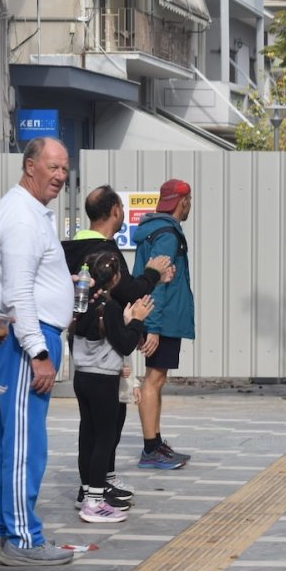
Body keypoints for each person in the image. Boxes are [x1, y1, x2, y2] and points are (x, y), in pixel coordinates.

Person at [62, 185, 175, 497]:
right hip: (106, 355)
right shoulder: (106, 255)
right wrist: (152, 275)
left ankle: (95, 484)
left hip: (82, 354)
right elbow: (129, 292)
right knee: (105, 428)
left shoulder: (70, 251)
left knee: (91, 426)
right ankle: (96, 492)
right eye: (122, 209)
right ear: (114, 211)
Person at [0, 137, 76, 565]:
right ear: (30, 167)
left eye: (65, 168)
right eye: (53, 167)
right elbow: (18, 293)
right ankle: (23, 538)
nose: (61, 176)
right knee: (25, 442)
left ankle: (0, 530)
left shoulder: (22, 210)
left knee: (5, 439)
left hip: (17, 339)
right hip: (27, 341)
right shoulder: (23, 219)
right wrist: (38, 351)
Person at [72, 251, 154, 523]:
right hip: (102, 380)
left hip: (82, 377)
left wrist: (126, 322)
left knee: (88, 435)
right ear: (116, 278)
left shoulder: (83, 303)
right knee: (104, 439)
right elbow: (125, 343)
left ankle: (86, 492)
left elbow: (101, 335)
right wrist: (138, 319)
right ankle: (95, 502)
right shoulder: (110, 307)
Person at [132, 179, 195, 470]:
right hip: (161, 318)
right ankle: (150, 449)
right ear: (182, 201)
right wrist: (153, 327)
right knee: (154, 380)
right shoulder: (168, 235)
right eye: (189, 200)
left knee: (157, 379)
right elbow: (157, 280)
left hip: (159, 317)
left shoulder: (156, 229)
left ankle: (155, 443)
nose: (190, 205)